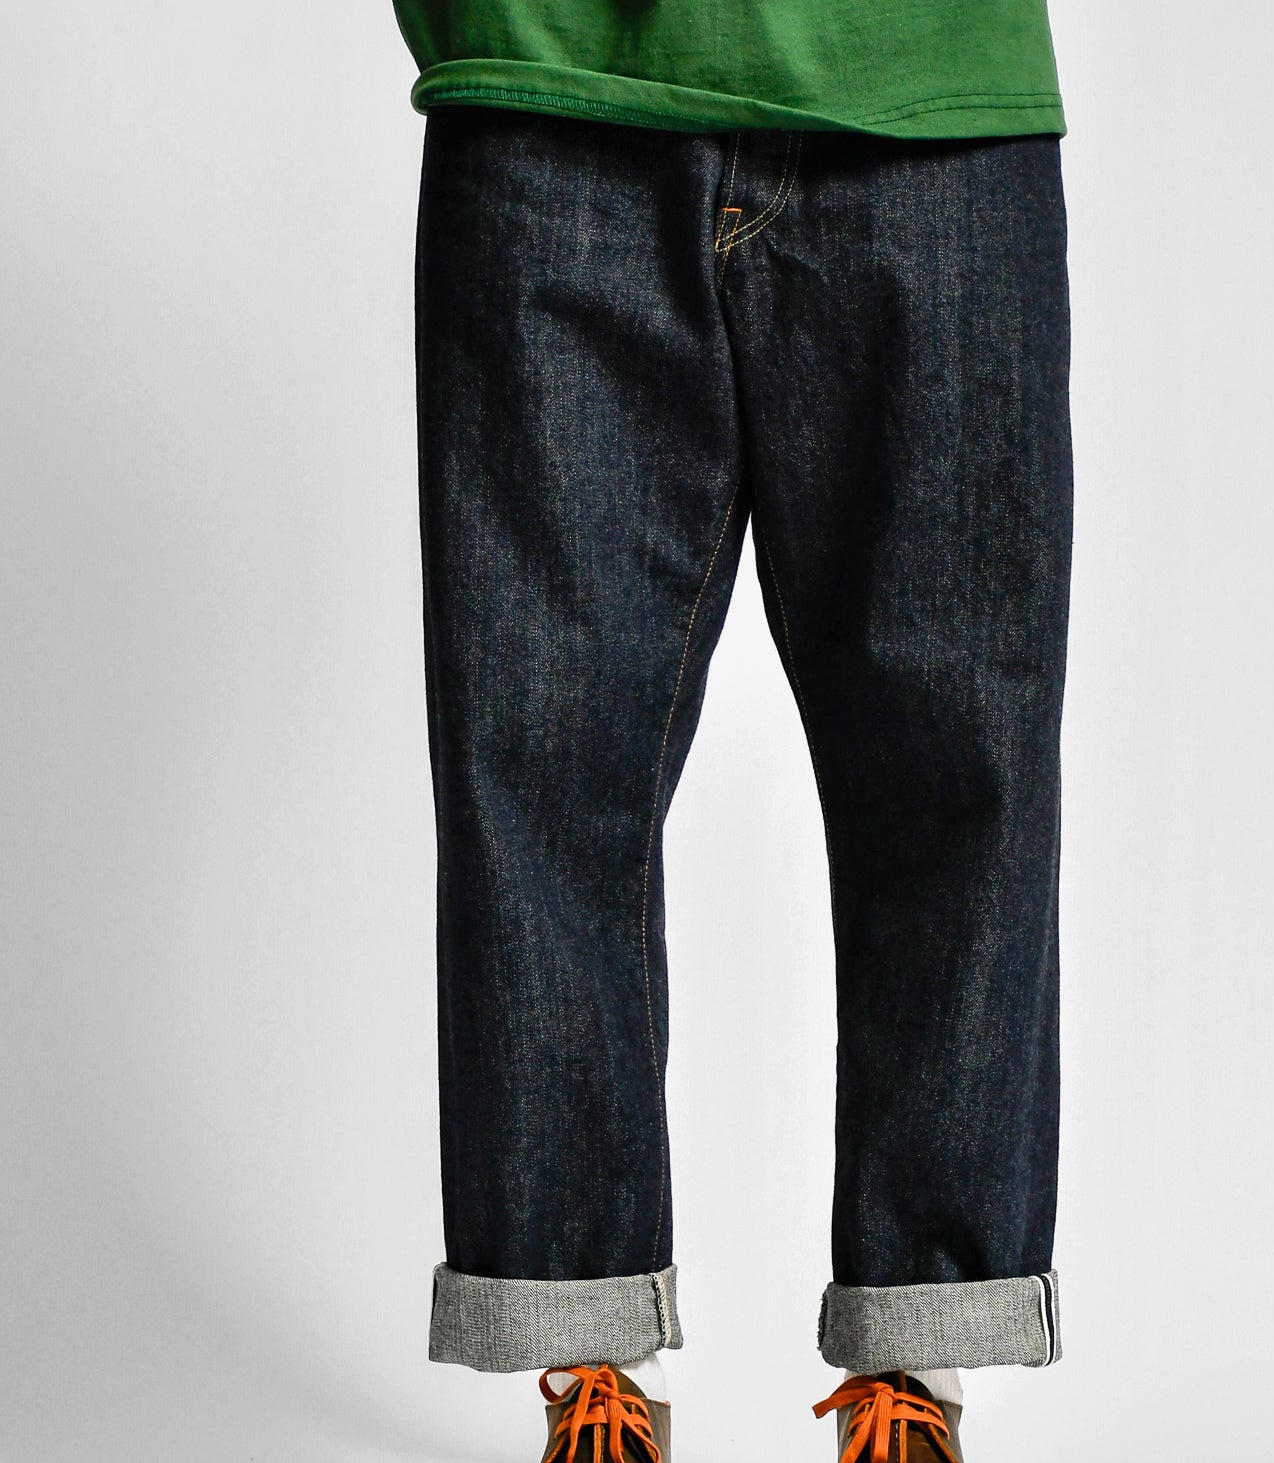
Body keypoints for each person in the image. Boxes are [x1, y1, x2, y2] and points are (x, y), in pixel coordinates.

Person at [395, 1, 1072, 1457]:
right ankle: (583, 1358)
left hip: (928, 103)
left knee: (956, 773)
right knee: (538, 756)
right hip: (551, 87)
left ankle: (920, 1359)